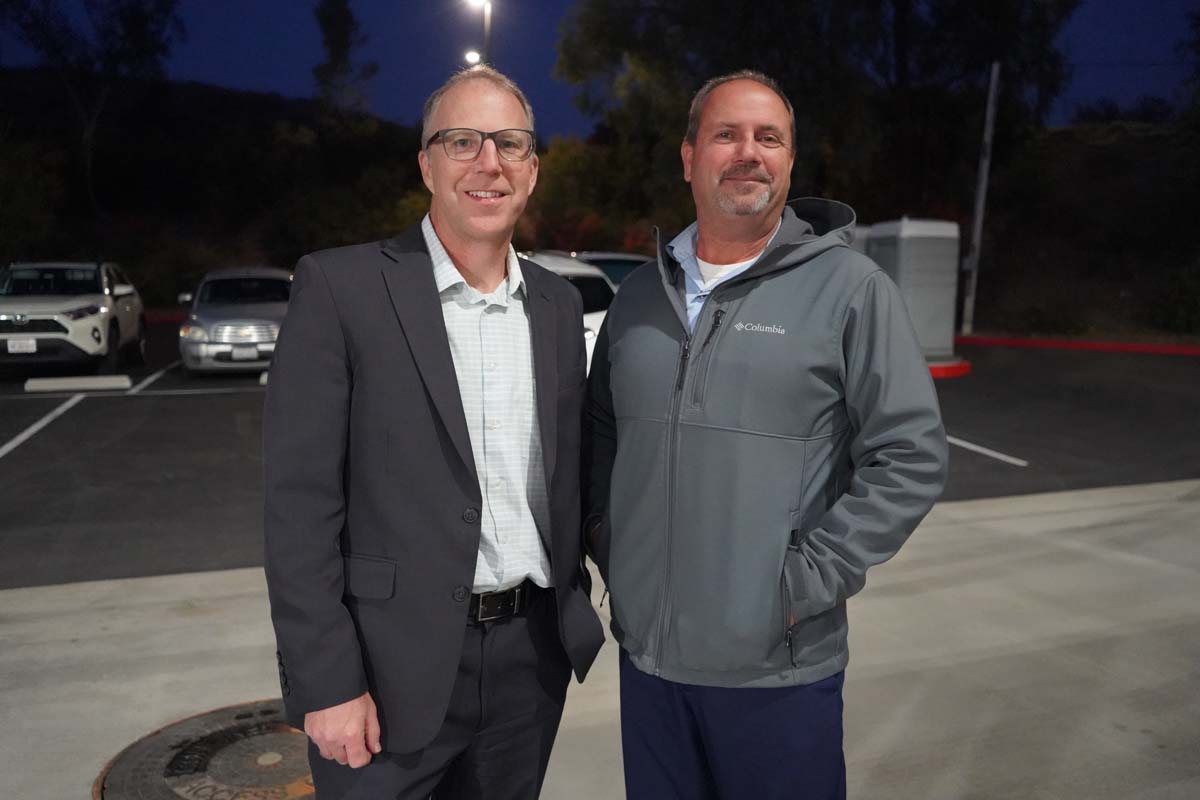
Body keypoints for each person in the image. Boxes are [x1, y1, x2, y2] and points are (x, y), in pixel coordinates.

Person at [583, 70, 948, 799]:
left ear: (787, 160)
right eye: (727, 134)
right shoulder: (638, 298)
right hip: (650, 667)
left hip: (777, 672)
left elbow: (910, 454)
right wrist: (610, 543)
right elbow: (600, 433)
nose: (748, 152)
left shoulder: (850, 288)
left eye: (768, 137)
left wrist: (800, 584)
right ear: (689, 156)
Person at [264, 65, 605, 799]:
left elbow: (574, 476)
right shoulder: (341, 289)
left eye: (510, 144)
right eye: (462, 141)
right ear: (426, 163)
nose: (490, 162)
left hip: (530, 663)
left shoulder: (554, 304)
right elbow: (299, 505)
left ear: (533, 170)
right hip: (386, 674)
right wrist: (327, 680)